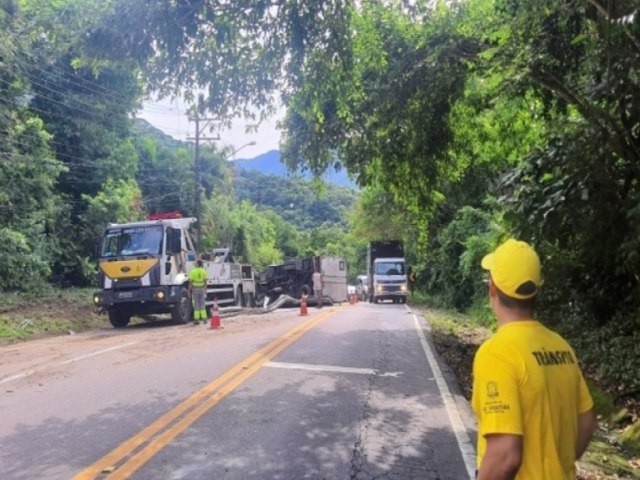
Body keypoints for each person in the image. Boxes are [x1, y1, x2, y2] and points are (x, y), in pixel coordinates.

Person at [473, 239, 597, 479]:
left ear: (492, 288)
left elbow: (505, 455)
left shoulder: (497, 353)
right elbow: (588, 422)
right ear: (536, 291)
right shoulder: (561, 347)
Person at [188, 259, 208, 324]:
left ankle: (197, 320)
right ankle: (204, 319)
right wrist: (205, 289)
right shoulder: (204, 271)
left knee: (196, 304)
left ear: (197, 264)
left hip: (195, 289)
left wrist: (189, 291)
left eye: (195, 263)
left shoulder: (193, 272)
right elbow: (205, 282)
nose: (194, 264)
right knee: (202, 304)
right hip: (202, 289)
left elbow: (190, 282)